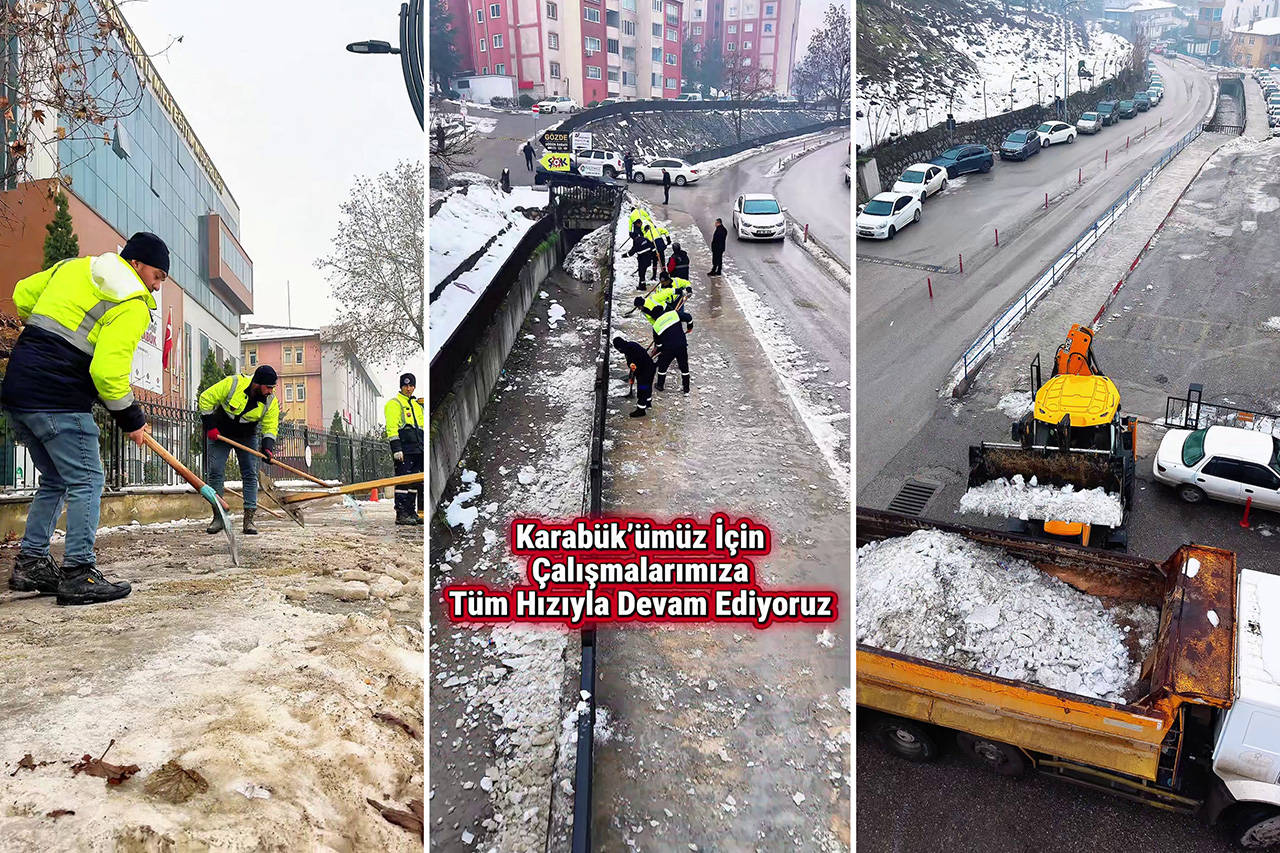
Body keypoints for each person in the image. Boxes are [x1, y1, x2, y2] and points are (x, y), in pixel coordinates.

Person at [2, 232, 166, 606]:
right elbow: (107, 372)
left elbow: (24, 294)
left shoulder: (77, 267)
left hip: (18, 387)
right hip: (57, 394)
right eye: (157, 276)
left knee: (57, 477)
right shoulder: (132, 302)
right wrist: (132, 420)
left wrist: (47, 336)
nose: (156, 288)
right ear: (137, 263)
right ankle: (79, 572)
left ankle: (31, 563)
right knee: (88, 478)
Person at [200, 365, 280, 536]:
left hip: (247, 436)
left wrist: (267, 447)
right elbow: (206, 398)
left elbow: (270, 426)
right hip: (220, 433)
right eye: (268, 387)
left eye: (273, 388)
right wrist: (210, 427)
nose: (271, 392)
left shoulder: (271, 402)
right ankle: (218, 517)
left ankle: (249, 520)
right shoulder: (233, 384)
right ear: (257, 384)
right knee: (215, 472)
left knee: (250, 474)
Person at [385, 373, 425, 525]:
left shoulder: (416, 405)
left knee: (415, 482)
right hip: (404, 449)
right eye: (406, 386)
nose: (409, 389)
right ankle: (401, 512)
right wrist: (396, 448)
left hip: (418, 449)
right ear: (401, 386)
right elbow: (392, 428)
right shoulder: (394, 404)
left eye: (411, 386)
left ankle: (410, 511)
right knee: (403, 482)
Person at [636, 299, 694, 394]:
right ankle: (686, 388)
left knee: (662, 367)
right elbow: (688, 317)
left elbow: (658, 344)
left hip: (668, 348)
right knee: (684, 366)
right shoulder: (673, 314)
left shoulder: (656, 326)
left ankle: (660, 385)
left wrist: (659, 351)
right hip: (681, 345)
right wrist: (690, 327)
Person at [613, 336, 655, 418]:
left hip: (644, 371)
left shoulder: (629, 351)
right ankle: (648, 402)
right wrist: (632, 373)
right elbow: (634, 365)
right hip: (649, 367)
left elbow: (634, 365)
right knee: (647, 386)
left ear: (619, 348)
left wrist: (633, 374)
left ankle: (641, 410)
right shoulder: (631, 345)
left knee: (643, 389)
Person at [626, 223, 656, 291]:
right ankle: (642, 284)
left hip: (642, 260)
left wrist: (624, 255)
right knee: (643, 272)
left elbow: (631, 252)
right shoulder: (645, 238)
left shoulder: (636, 242)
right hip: (648, 259)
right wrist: (653, 255)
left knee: (641, 274)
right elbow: (652, 246)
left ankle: (642, 287)